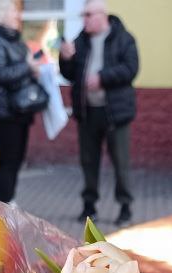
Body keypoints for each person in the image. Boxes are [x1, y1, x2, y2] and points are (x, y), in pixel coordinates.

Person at [59, 2, 139, 227]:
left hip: (115, 113)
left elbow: (131, 68)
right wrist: (65, 58)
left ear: (101, 15)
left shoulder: (124, 38)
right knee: (88, 161)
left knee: (120, 162)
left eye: (88, 14)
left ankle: (125, 208)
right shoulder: (80, 40)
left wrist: (102, 78)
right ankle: (89, 207)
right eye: (83, 14)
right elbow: (69, 74)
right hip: (87, 112)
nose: (84, 19)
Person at [0, 0, 39, 205]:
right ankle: (6, 204)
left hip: (21, 108)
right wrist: (28, 67)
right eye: (14, 12)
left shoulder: (15, 40)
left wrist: (35, 69)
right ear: (1, 14)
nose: (18, 16)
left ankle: (10, 201)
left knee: (16, 160)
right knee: (8, 160)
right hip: (4, 110)